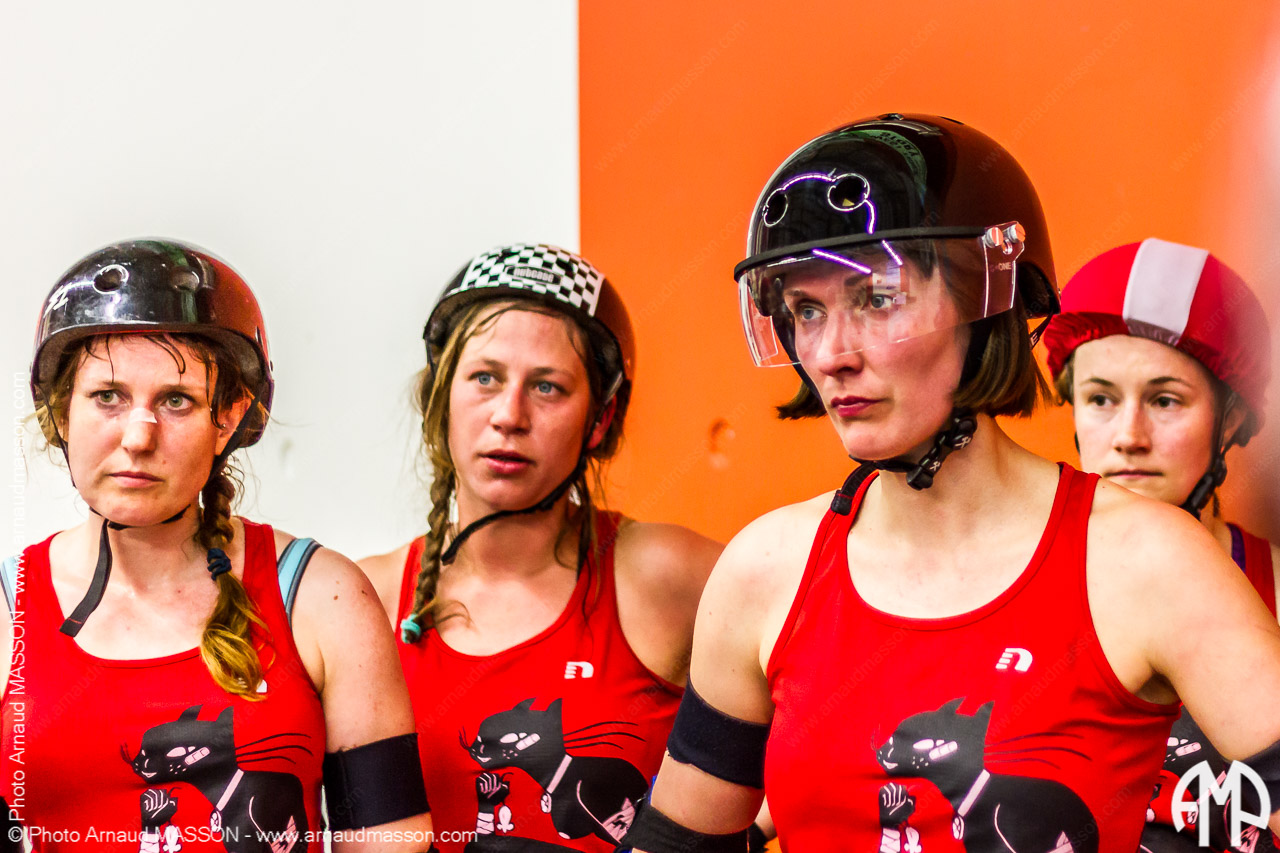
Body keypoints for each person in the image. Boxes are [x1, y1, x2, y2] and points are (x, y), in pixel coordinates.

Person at [618, 114, 1280, 853]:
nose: (831, 354)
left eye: (876, 298)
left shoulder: (1148, 558)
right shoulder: (764, 570)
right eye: (806, 310)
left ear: (984, 303)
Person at [0, 240, 432, 852]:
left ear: (227, 417)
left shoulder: (321, 596)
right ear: (61, 413)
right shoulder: (7, 608)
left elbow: (391, 841)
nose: (138, 437)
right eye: (107, 397)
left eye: (176, 401)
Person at [359, 244, 722, 853]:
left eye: (547, 387)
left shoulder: (663, 574)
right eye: (485, 378)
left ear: (599, 420)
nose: (510, 415)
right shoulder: (365, 598)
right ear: (441, 397)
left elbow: (835, 714)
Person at [1043, 239, 1279, 853]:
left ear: (1230, 420)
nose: (1129, 436)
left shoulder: (1274, 587)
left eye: (1165, 400)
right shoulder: (1007, 578)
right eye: (1100, 399)